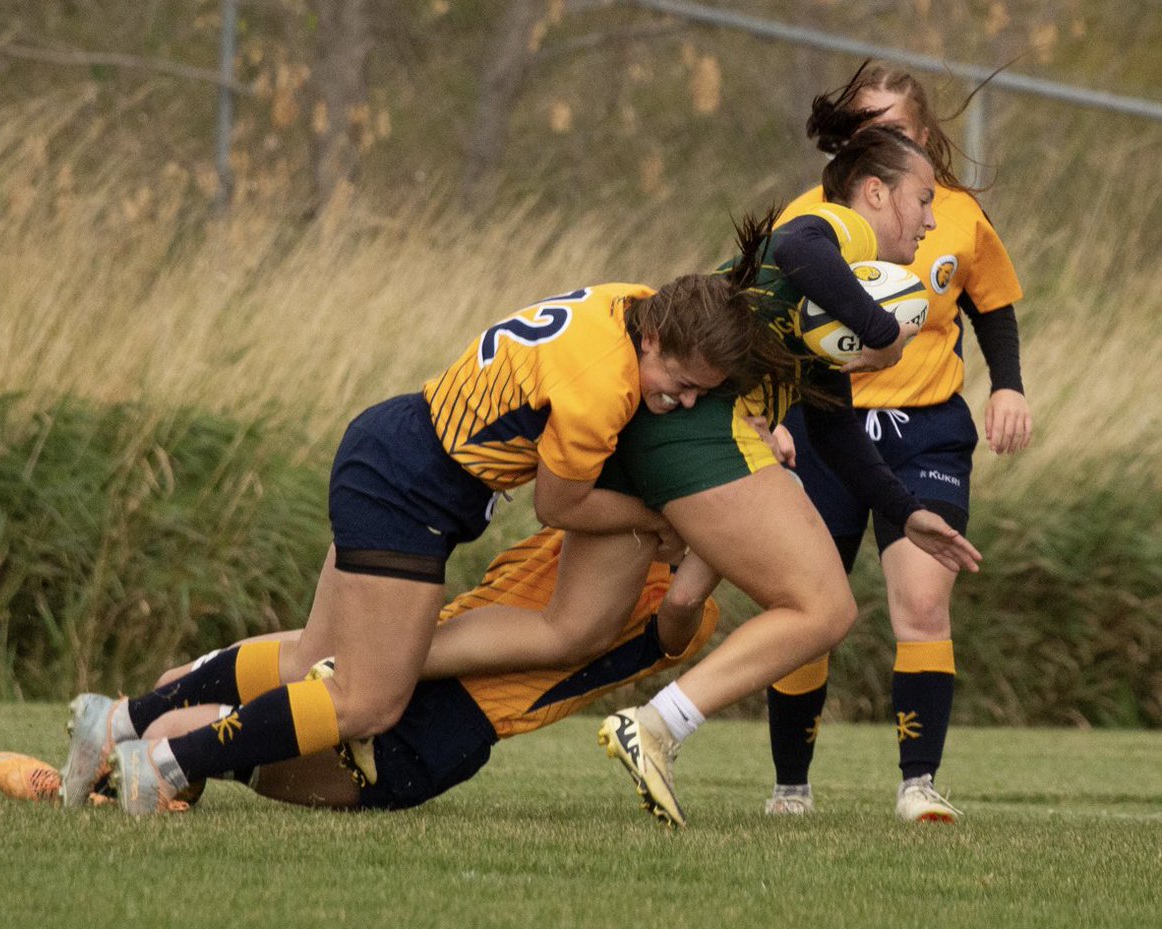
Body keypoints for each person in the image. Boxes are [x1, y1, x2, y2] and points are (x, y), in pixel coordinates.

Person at [56, 246, 777, 816]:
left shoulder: (628, 299)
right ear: (653, 337)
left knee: (320, 656)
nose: (682, 401)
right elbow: (561, 507)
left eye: (699, 395)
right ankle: (167, 764)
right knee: (368, 699)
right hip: (411, 488)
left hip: (392, 443)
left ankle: (117, 719)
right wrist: (662, 513)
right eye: (680, 383)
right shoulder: (602, 390)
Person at [597, 115, 984, 827]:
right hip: (695, 431)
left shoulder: (833, 295)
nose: (932, 219)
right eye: (924, 197)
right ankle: (653, 724)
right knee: (824, 607)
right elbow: (796, 242)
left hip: (679, 433)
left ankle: (376, 692)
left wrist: (906, 510)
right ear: (874, 193)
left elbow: (836, 429)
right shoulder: (839, 231)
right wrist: (881, 332)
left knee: (574, 630)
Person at [0, 528, 718, 812]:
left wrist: (722, 533)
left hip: (437, 728)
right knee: (189, 677)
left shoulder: (681, 606)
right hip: (403, 650)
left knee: (198, 724)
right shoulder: (591, 526)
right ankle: (141, 769)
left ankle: (109, 782)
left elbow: (684, 601)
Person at [762, 61, 1032, 823]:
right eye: (864, 128)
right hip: (823, 426)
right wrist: (771, 413)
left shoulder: (956, 214)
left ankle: (919, 785)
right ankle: (791, 788)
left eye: (894, 128)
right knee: (809, 603)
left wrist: (1007, 383)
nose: (878, 140)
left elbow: (992, 305)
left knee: (921, 599)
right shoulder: (812, 217)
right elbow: (773, 317)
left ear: (923, 135)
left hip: (925, 429)